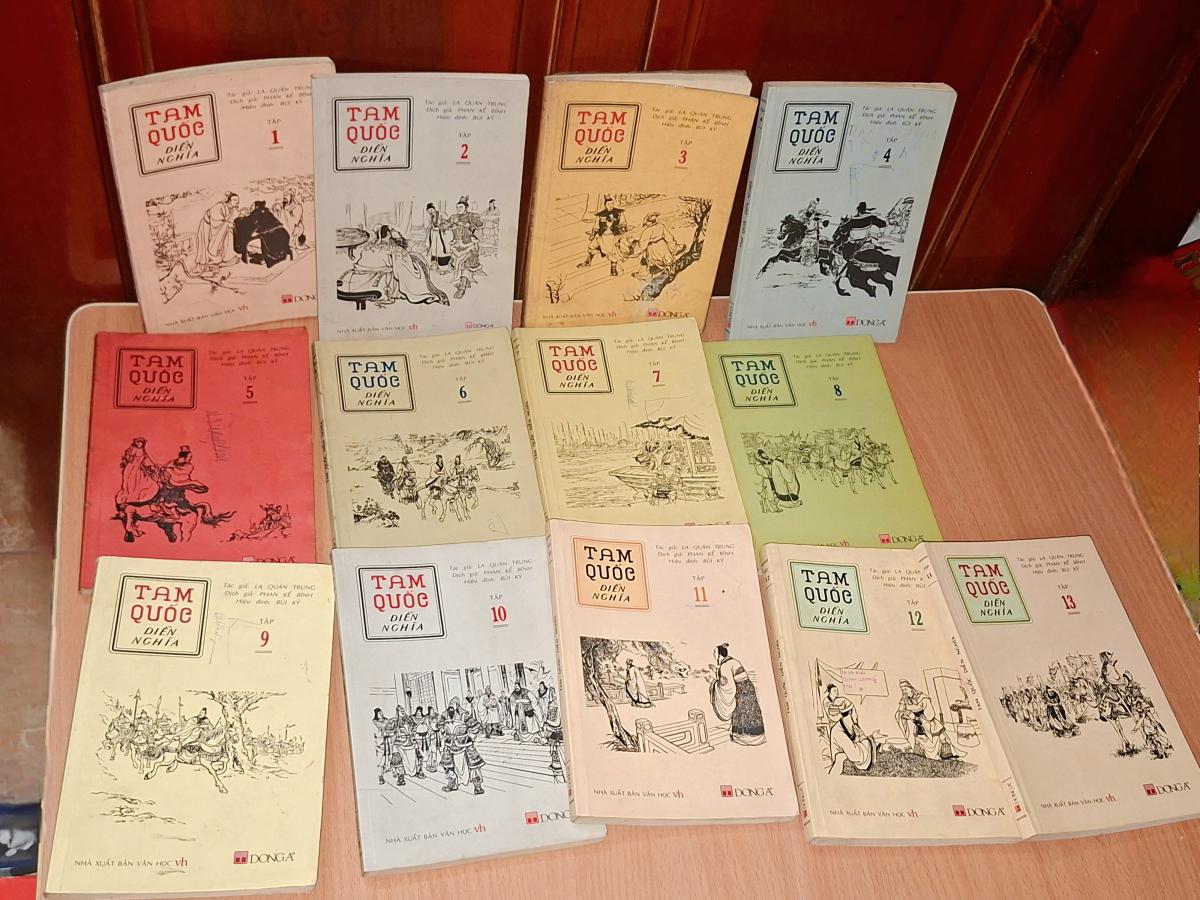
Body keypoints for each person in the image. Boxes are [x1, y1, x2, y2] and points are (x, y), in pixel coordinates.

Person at [709, 644, 766, 746]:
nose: (714, 654)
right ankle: (758, 735)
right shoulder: (734, 661)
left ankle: (744, 737)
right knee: (751, 710)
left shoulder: (725, 666)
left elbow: (728, 686)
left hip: (740, 691)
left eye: (715, 652)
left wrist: (714, 684)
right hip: (748, 688)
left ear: (719, 655)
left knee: (742, 712)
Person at [894, 680, 957, 760]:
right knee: (919, 744)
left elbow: (930, 715)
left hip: (930, 726)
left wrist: (915, 717)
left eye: (905, 689)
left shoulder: (923, 698)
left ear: (911, 688)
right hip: (918, 727)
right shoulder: (905, 700)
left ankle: (943, 753)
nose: (904, 692)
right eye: (902, 690)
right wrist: (906, 714)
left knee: (940, 742)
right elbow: (900, 711)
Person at [824, 684, 874, 774]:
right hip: (843, 757)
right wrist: (866, 741)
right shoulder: (838, 731)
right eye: (852, 711)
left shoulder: (852, 725)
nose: (854, 714)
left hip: (852, 747)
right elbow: (855, 755)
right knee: (840, 758)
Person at [445, 195, 484, 299]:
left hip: (469, 244)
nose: (458, 209)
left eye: (461, 207)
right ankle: (462, 282)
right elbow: (445, 224)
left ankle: (462, 287)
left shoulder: (472, 216)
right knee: (457, 264)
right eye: (457, 207)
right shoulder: (454, 217)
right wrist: (446, 225)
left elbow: (480, 225)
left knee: (467, 264)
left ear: (466, 207)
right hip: (457, 245)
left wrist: (468, 226)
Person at [441, 705, 486, 794]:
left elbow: (475, 726)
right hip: (450, 745)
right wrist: (444, 733)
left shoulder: (464, 715)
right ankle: (452, 783)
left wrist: (471, 736)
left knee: (474, 765)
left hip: (465, 744)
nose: (451, 710)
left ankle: (477, 786)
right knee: (448, 765)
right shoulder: (444, 716)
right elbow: (440, 726)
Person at [577, 195, 626, 276]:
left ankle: (613, 269)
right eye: (608, 204)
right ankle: (588, 261)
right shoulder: (601, 214)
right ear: (605, 205)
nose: (610, 206)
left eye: (612, 204)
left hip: (613, 235)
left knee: (612, 251)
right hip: (602, 235)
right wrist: (593, 234)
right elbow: (596, 226)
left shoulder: (619, 213)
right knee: (592, 246)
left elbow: (623, 223)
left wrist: (623, 229)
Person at [195, 192, 241, 269]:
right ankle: (204, 265)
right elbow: (216, 221)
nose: (237, 201)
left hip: (220, 228)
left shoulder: (233, 210)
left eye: (238, 200)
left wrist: (229, 224)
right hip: (208, 226)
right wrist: (227, 224)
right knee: (205, 246)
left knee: (227, 237)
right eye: (235, 200)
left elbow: (232, 220)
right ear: (229, 201)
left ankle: (223, 258)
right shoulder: (219, 206)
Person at [752, 447, 802, 511]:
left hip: (778, 487)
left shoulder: (774, 462)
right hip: (772, 484)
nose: (766, 455)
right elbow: (788, 478)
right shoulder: (774, 463)